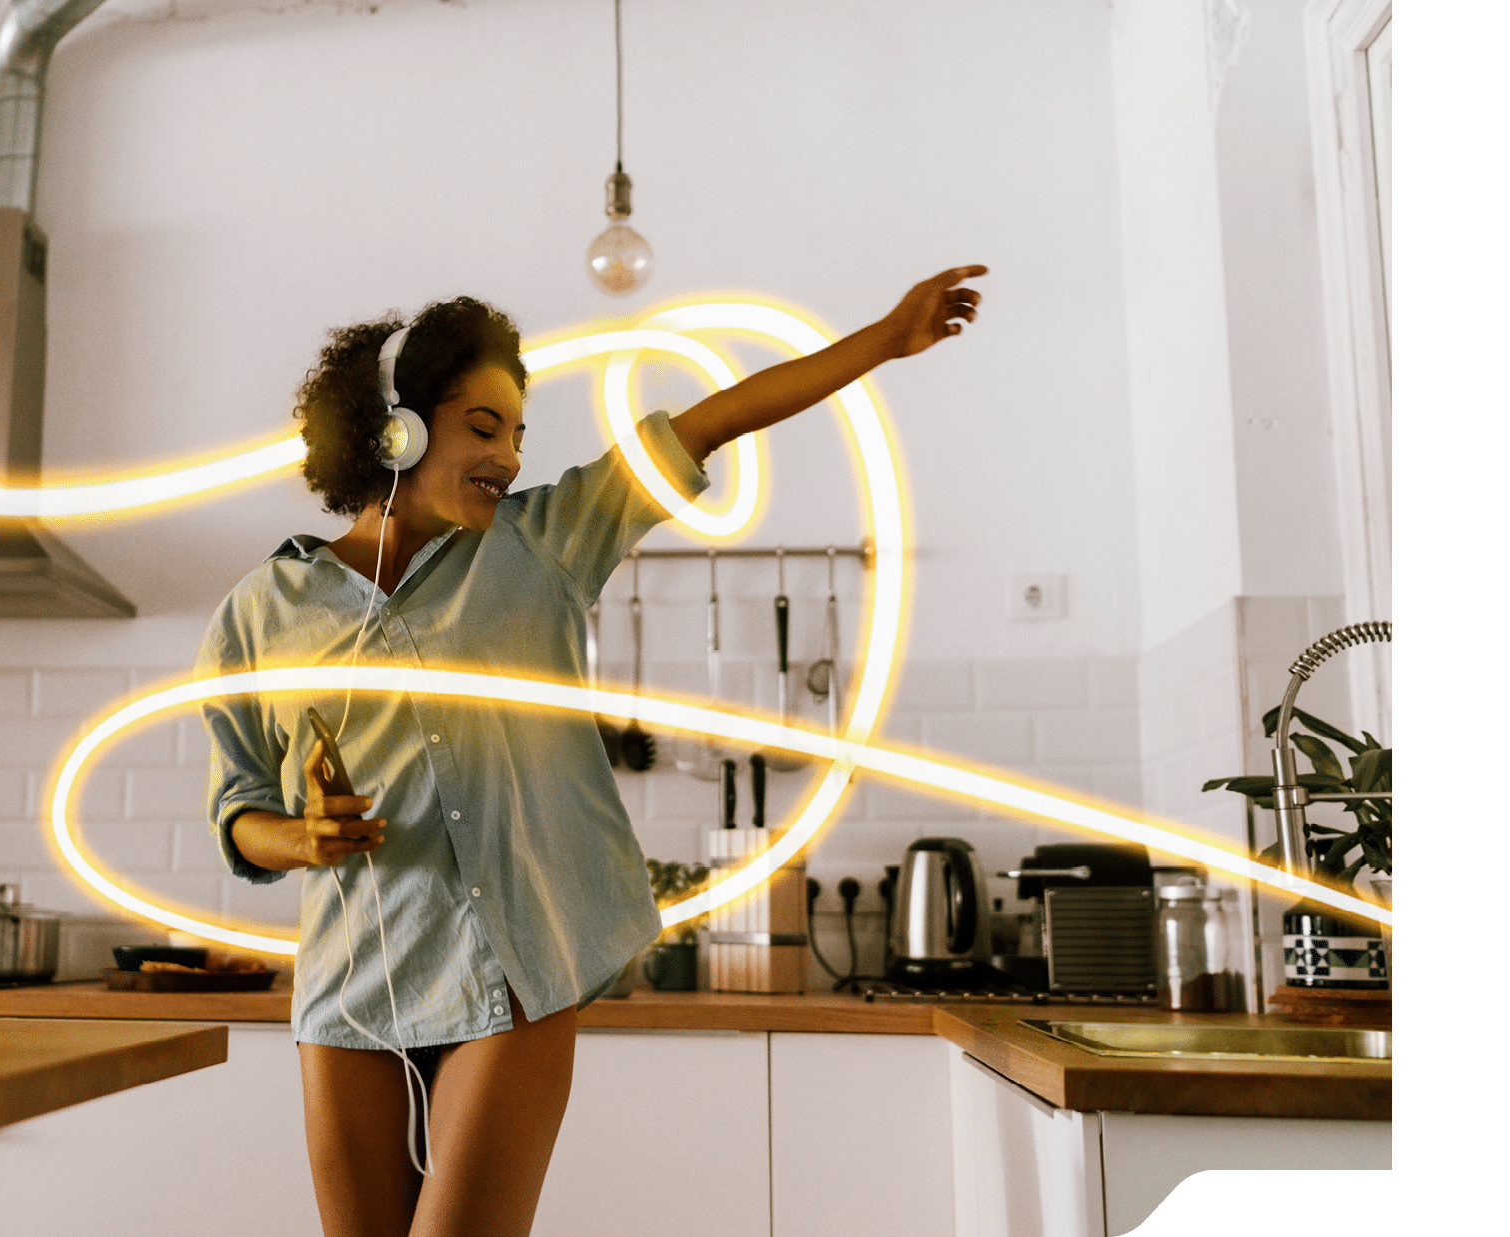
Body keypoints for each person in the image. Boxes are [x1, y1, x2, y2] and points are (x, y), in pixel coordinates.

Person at [195, 265, 985, 1237]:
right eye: (483, 428)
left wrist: (881, 338)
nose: (510, 457)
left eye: (519, 434)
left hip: (518, 968)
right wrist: (305, 834)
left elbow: (703, 426)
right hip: (350, 986)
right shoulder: (258, 614)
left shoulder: (544, 543)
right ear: (392, 429)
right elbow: (239, 810)